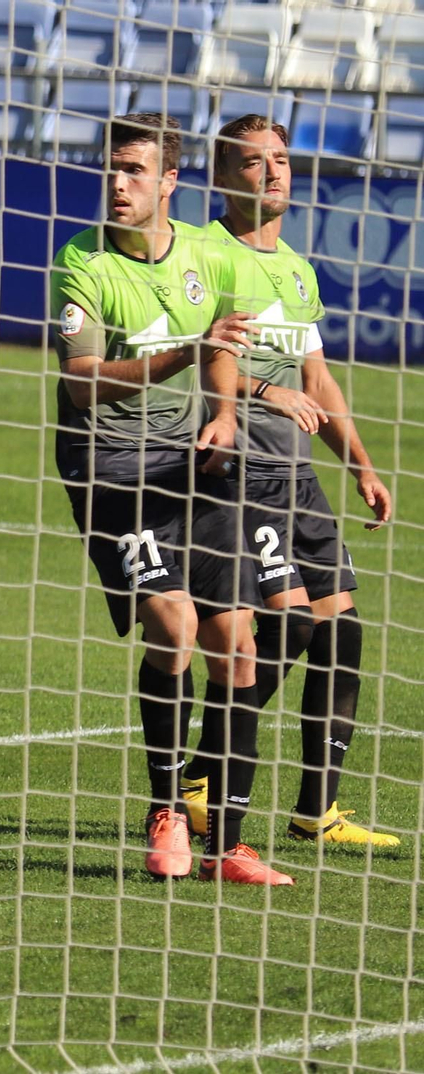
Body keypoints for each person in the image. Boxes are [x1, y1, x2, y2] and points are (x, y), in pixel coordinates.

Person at [50, 112, 292, 885]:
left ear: (170, 182)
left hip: (188, 456)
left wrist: (223, 413)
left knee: (239, 642)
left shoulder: (203, 255)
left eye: (134, 170)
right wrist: (181, 356)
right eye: (111, 169)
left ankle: (230, 844)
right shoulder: (82, 262)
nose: (117, 183)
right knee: (175, 623)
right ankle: (165, 814)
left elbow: (222, 347)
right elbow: (80, 383)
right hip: (110, 465)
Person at [178, 114, 398, 849]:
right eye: (252, 161)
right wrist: (263, 394)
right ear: (221, 176)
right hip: (238, 474)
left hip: (296, 474)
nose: (272, 171)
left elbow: (317, 378)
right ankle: (203, 776)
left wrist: (361, 463)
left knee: (341, 631)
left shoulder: (298, 270)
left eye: (280, 159)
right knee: (291, 624)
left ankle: (317, 812)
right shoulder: (205, 256)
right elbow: (201, 356)